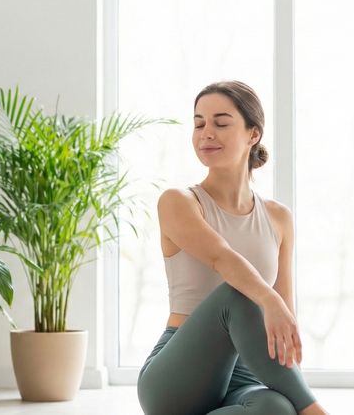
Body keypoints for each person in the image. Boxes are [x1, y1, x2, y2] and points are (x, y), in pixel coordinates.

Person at [136, 81, 330, 415]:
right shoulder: (180, 202)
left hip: (243, 375)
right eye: (199, 124)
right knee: (238, 293)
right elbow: (222, 258)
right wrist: (267, 297)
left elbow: (284, 318)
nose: (206, 133)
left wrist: (277, 309)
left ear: (253, 134)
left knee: (276, 408)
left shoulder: (279, 218)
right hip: (177, 377)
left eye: (221, 123)